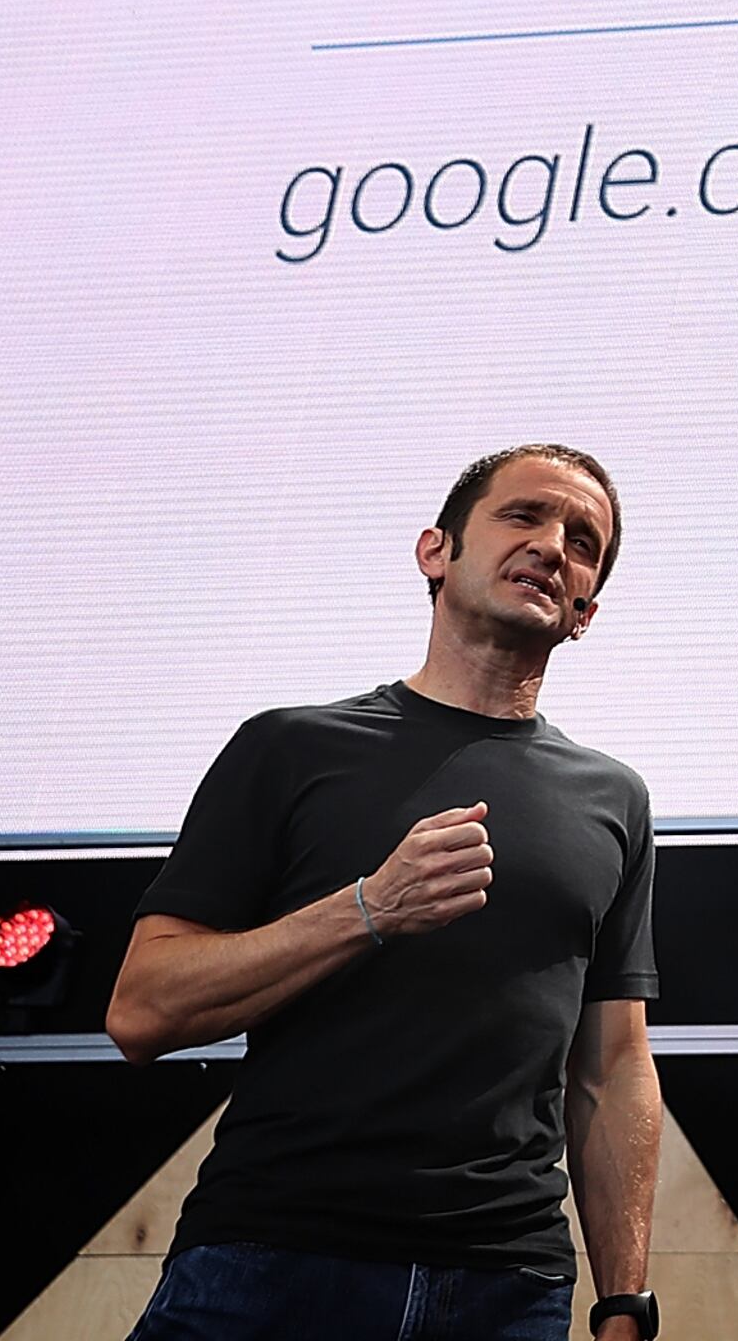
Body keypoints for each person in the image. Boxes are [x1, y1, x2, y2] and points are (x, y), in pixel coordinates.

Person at [106, 445, 663, 1341]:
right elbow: (142, 1012)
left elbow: (612, 1068)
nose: (555, 545)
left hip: (507, 1286)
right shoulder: (289, 749)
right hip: (271, 1262)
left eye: (583, 541)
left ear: (585, 612)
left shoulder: (614, 799)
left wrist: (626, 1301)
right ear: (434, 552)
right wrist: (367, 909)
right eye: (523, 517)